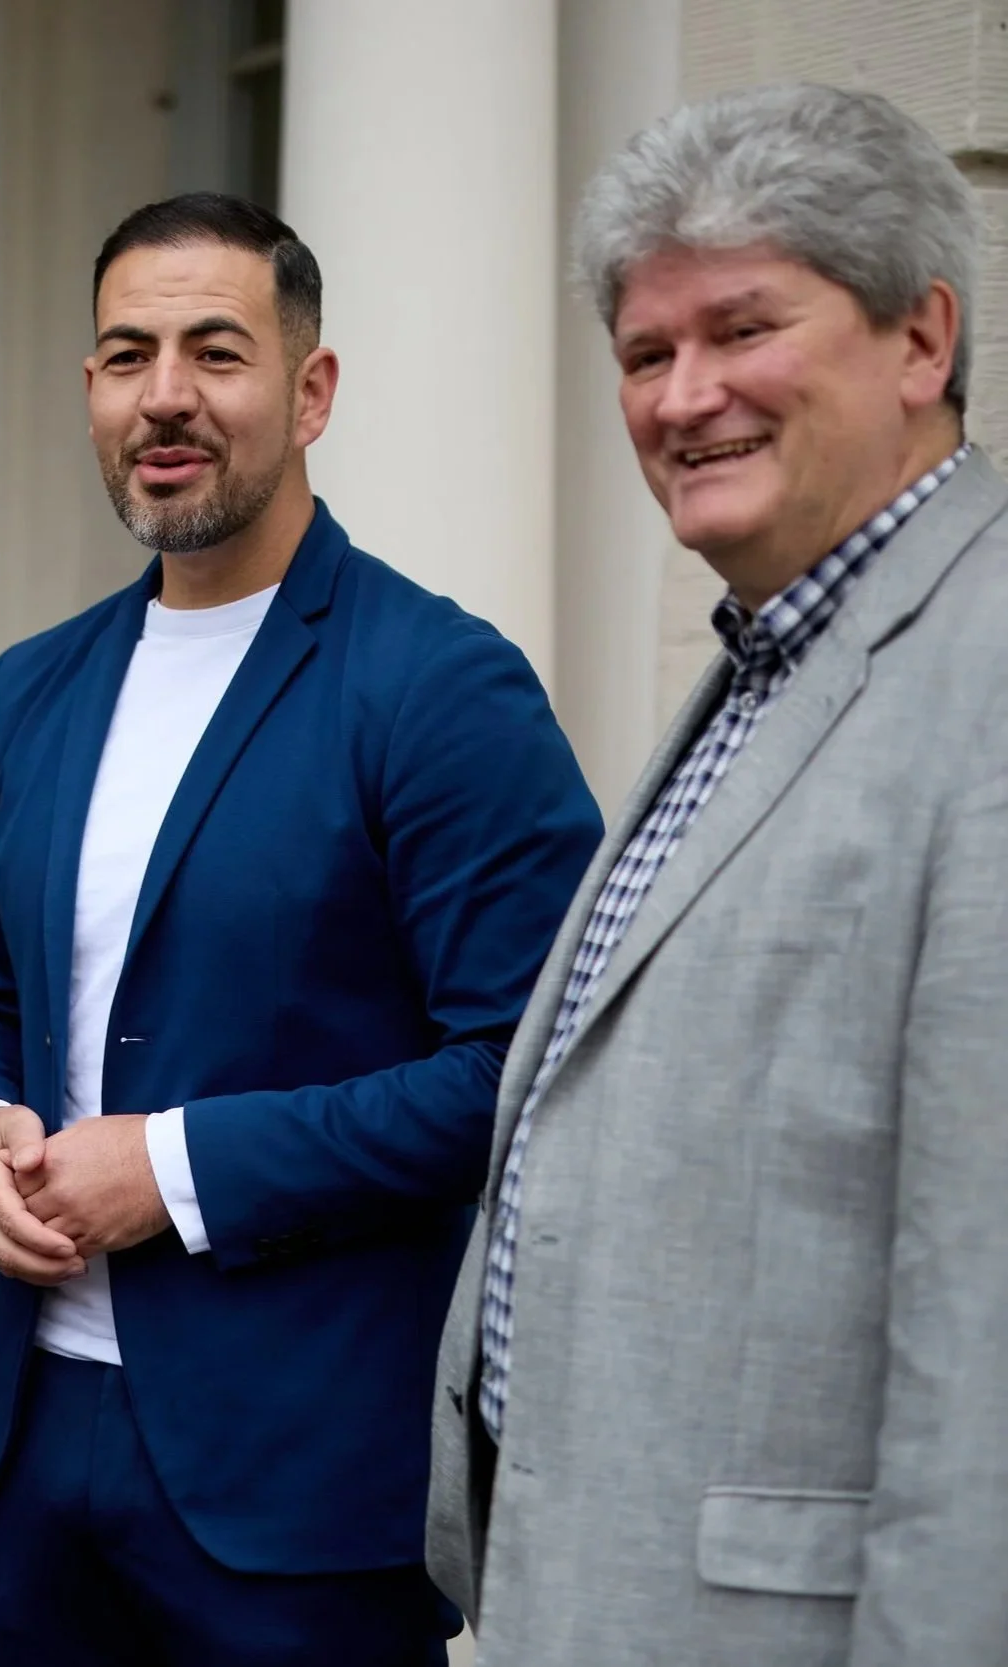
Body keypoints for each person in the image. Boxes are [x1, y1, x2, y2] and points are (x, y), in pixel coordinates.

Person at [0, 191, 601, 1667]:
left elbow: (526, 1068)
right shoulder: (33, 691)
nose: (165, 394)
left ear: (311, 389)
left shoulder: (439, 687)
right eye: (126, 354)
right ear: (91, 391)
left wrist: (168, 1167)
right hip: (40, 1443)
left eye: (215, 352)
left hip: (304, 1486)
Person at [428, 83, 1008, 1666]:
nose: (685, 398)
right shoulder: (770, 651)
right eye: (643, 353)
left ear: (921, 338)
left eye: (743, 329)